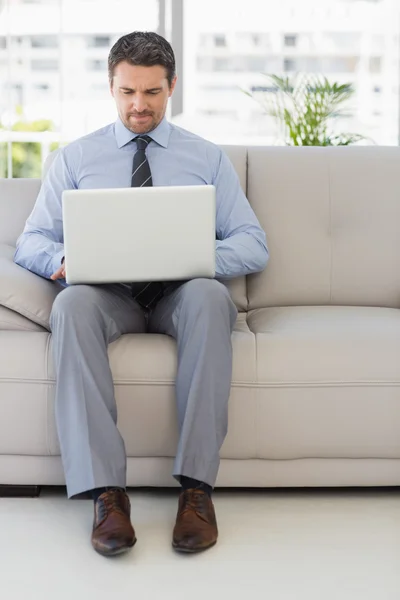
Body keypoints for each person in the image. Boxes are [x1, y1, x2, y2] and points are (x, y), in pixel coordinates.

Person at [14, 31, 269, 557]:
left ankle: (197, 490)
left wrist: (193, 258)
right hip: (110, 296)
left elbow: (252, 243)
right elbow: (31, 241)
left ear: (171, 86)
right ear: (111, 86)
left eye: (151, 92)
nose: (139, 105)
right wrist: (64, 262)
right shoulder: (74, 160)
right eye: (128, 91)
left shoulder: (207, 159)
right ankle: (106, 494)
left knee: (209, 297)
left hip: (181, 294)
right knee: (71, 304)